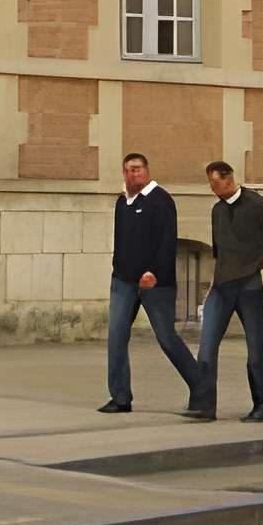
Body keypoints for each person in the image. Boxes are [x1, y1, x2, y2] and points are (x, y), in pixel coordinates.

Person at [190, 159, 263, 425]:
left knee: (255, 347)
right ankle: (205, 406)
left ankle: (262, 405)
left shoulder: (258, 205)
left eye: (215, 183)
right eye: (210, 184)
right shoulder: (216, 211)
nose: (213, 189)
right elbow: (221, 255)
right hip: (222, 286)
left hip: (249, 285)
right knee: (206, 346)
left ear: (228, 178)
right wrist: (211, 288)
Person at [98, 151, 204, 414]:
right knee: (116, 337)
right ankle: (121, 397)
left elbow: (167, 240)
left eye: (138, 169)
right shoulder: (122, 203)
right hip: (123, 282)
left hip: (155, 282)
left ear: (147, 171)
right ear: (124, 173)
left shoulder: (161, 200)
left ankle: (202, 387)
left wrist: (153, 271)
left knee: (167, 338)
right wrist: (117, 269)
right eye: (129, 170)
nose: (134, 173)